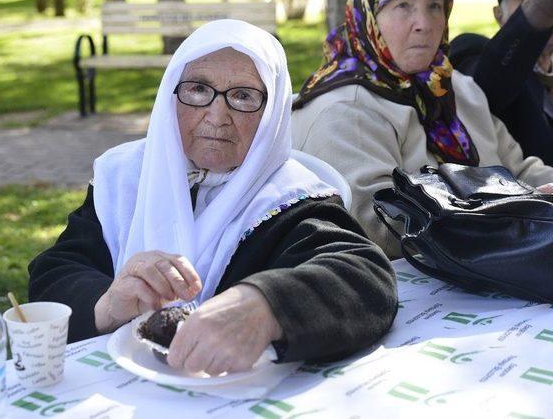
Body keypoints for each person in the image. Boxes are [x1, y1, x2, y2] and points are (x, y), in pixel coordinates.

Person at [29, 19, 398, 376]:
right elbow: (53, 274)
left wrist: (265, 306)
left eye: (243, 96)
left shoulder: (291, 198)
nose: (216, 115)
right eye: (198, 89)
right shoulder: (126, 176)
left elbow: (365, 277)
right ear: (170, 94)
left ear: (271, 114)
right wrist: (107, 303)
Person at [291, 0, 553, 258]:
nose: (424, 23)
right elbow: (380, 227)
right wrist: (511, 216)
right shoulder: (343, 109)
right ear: (368, 15)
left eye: (435, 6)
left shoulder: (454, 89)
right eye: (404, 5)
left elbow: (518, 170)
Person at [449, 0, 553, 164]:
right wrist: (538, 11)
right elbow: (482, 89)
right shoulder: (473, 49)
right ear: (498, 14)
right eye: (527, 1)